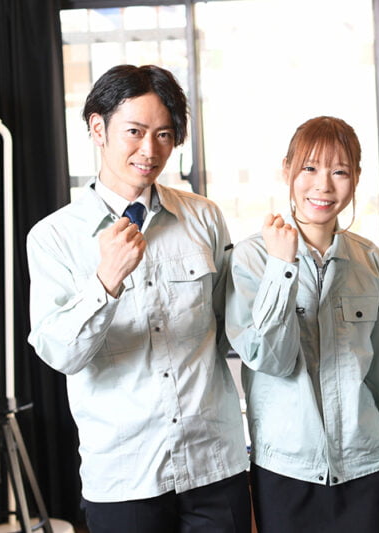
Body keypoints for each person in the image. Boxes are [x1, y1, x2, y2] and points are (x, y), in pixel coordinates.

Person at [26, 65, 250, 533]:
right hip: (124, 475)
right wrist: (105, 281)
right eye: (135, 131)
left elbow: (237, 328)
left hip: (214, 464)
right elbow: (60, 355)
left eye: (164, 135)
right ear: (97, 128)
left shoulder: (204, 218)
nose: (150, 150)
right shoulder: (52, 238)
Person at [225, 116, 379, 533]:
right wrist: (281, 266)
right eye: (309, 168)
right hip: (286, 469)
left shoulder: (372, 261)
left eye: (339, 171)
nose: (323, 185)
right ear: (286, 170)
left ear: (356, 177)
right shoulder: (252, 257)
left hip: (364, 466)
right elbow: (269, 359)